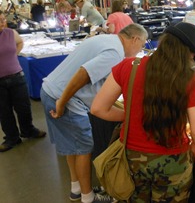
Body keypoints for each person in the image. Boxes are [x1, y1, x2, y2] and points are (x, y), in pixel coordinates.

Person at [91, 22, 195, 202]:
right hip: (173, 161)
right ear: (189, 52)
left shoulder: (129, 66)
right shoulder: (189, 78)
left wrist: (130, 114)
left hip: (131, 159)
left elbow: (98, 108)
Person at [40, 24, 147, 203]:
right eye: (142, 45)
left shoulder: (106, 40)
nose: (140, 50)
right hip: (64, 99)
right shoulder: (115, 52)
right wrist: (62, 102)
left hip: (50, 91)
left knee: (71, 146)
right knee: (83, 149)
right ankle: (88, 197)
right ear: (135, 39)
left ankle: (76, 188)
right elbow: (83, 74)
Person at [0, 10, 46, 152]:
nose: (3, 22)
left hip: (16, 76)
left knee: (24, 107)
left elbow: (20, 42)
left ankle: (28, 130)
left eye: (3, 19)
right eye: (0, 20)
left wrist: (14, 54)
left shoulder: (10, 33)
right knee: (4, 112)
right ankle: (12, 138)